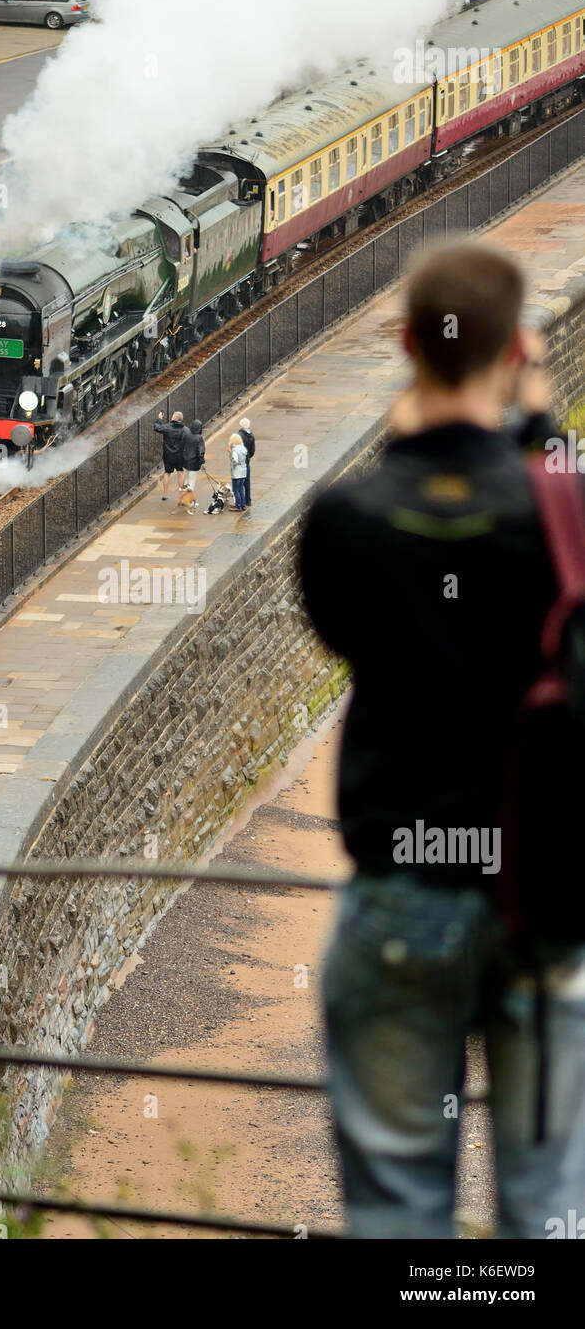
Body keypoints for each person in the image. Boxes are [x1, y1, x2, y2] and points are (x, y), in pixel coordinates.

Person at [299, 242, 585, 1239]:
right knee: (546, 1207)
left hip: (398, 892)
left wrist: (410, 434)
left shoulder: (344, 519)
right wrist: (538, 421)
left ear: (407, 346)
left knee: (393, 1210)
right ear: (516, 352)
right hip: (537, 896)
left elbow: (349, 624)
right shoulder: (560, 507)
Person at [154, 409, 187, 499]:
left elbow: (157, 427)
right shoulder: (185, 429)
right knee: (180, 473)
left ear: (173, 418)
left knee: (167, 473)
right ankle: (181, 494)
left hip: (168, 455)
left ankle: (165, 494)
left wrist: (159, 419)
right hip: (180, 455)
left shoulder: (168, 427)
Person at [181, 419, 205, 512]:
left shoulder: (186, 435)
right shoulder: (199, 438)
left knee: (186, 482)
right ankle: (189, 501)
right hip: (194, 464)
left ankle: (183, 499)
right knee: (192, 483)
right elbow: (200, 452)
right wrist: (202, 462)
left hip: (185, 462)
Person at [227, 432, 248, 511]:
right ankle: (243, 504)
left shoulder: (234, 450)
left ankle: (238, 505)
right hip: (243, 471)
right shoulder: (243, 448)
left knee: (236, 489)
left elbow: (235, 460)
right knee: (241, 488)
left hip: (236, 472)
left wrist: (232, 463)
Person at [238, 417, 255, 506]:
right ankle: (248, 500)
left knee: (239, 482)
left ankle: (240, 501)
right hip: (247, 461)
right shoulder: (251, 436)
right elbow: (252, 451)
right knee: (247, 482)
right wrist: (248, 457)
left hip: (240, 461)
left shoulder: (239, 435)